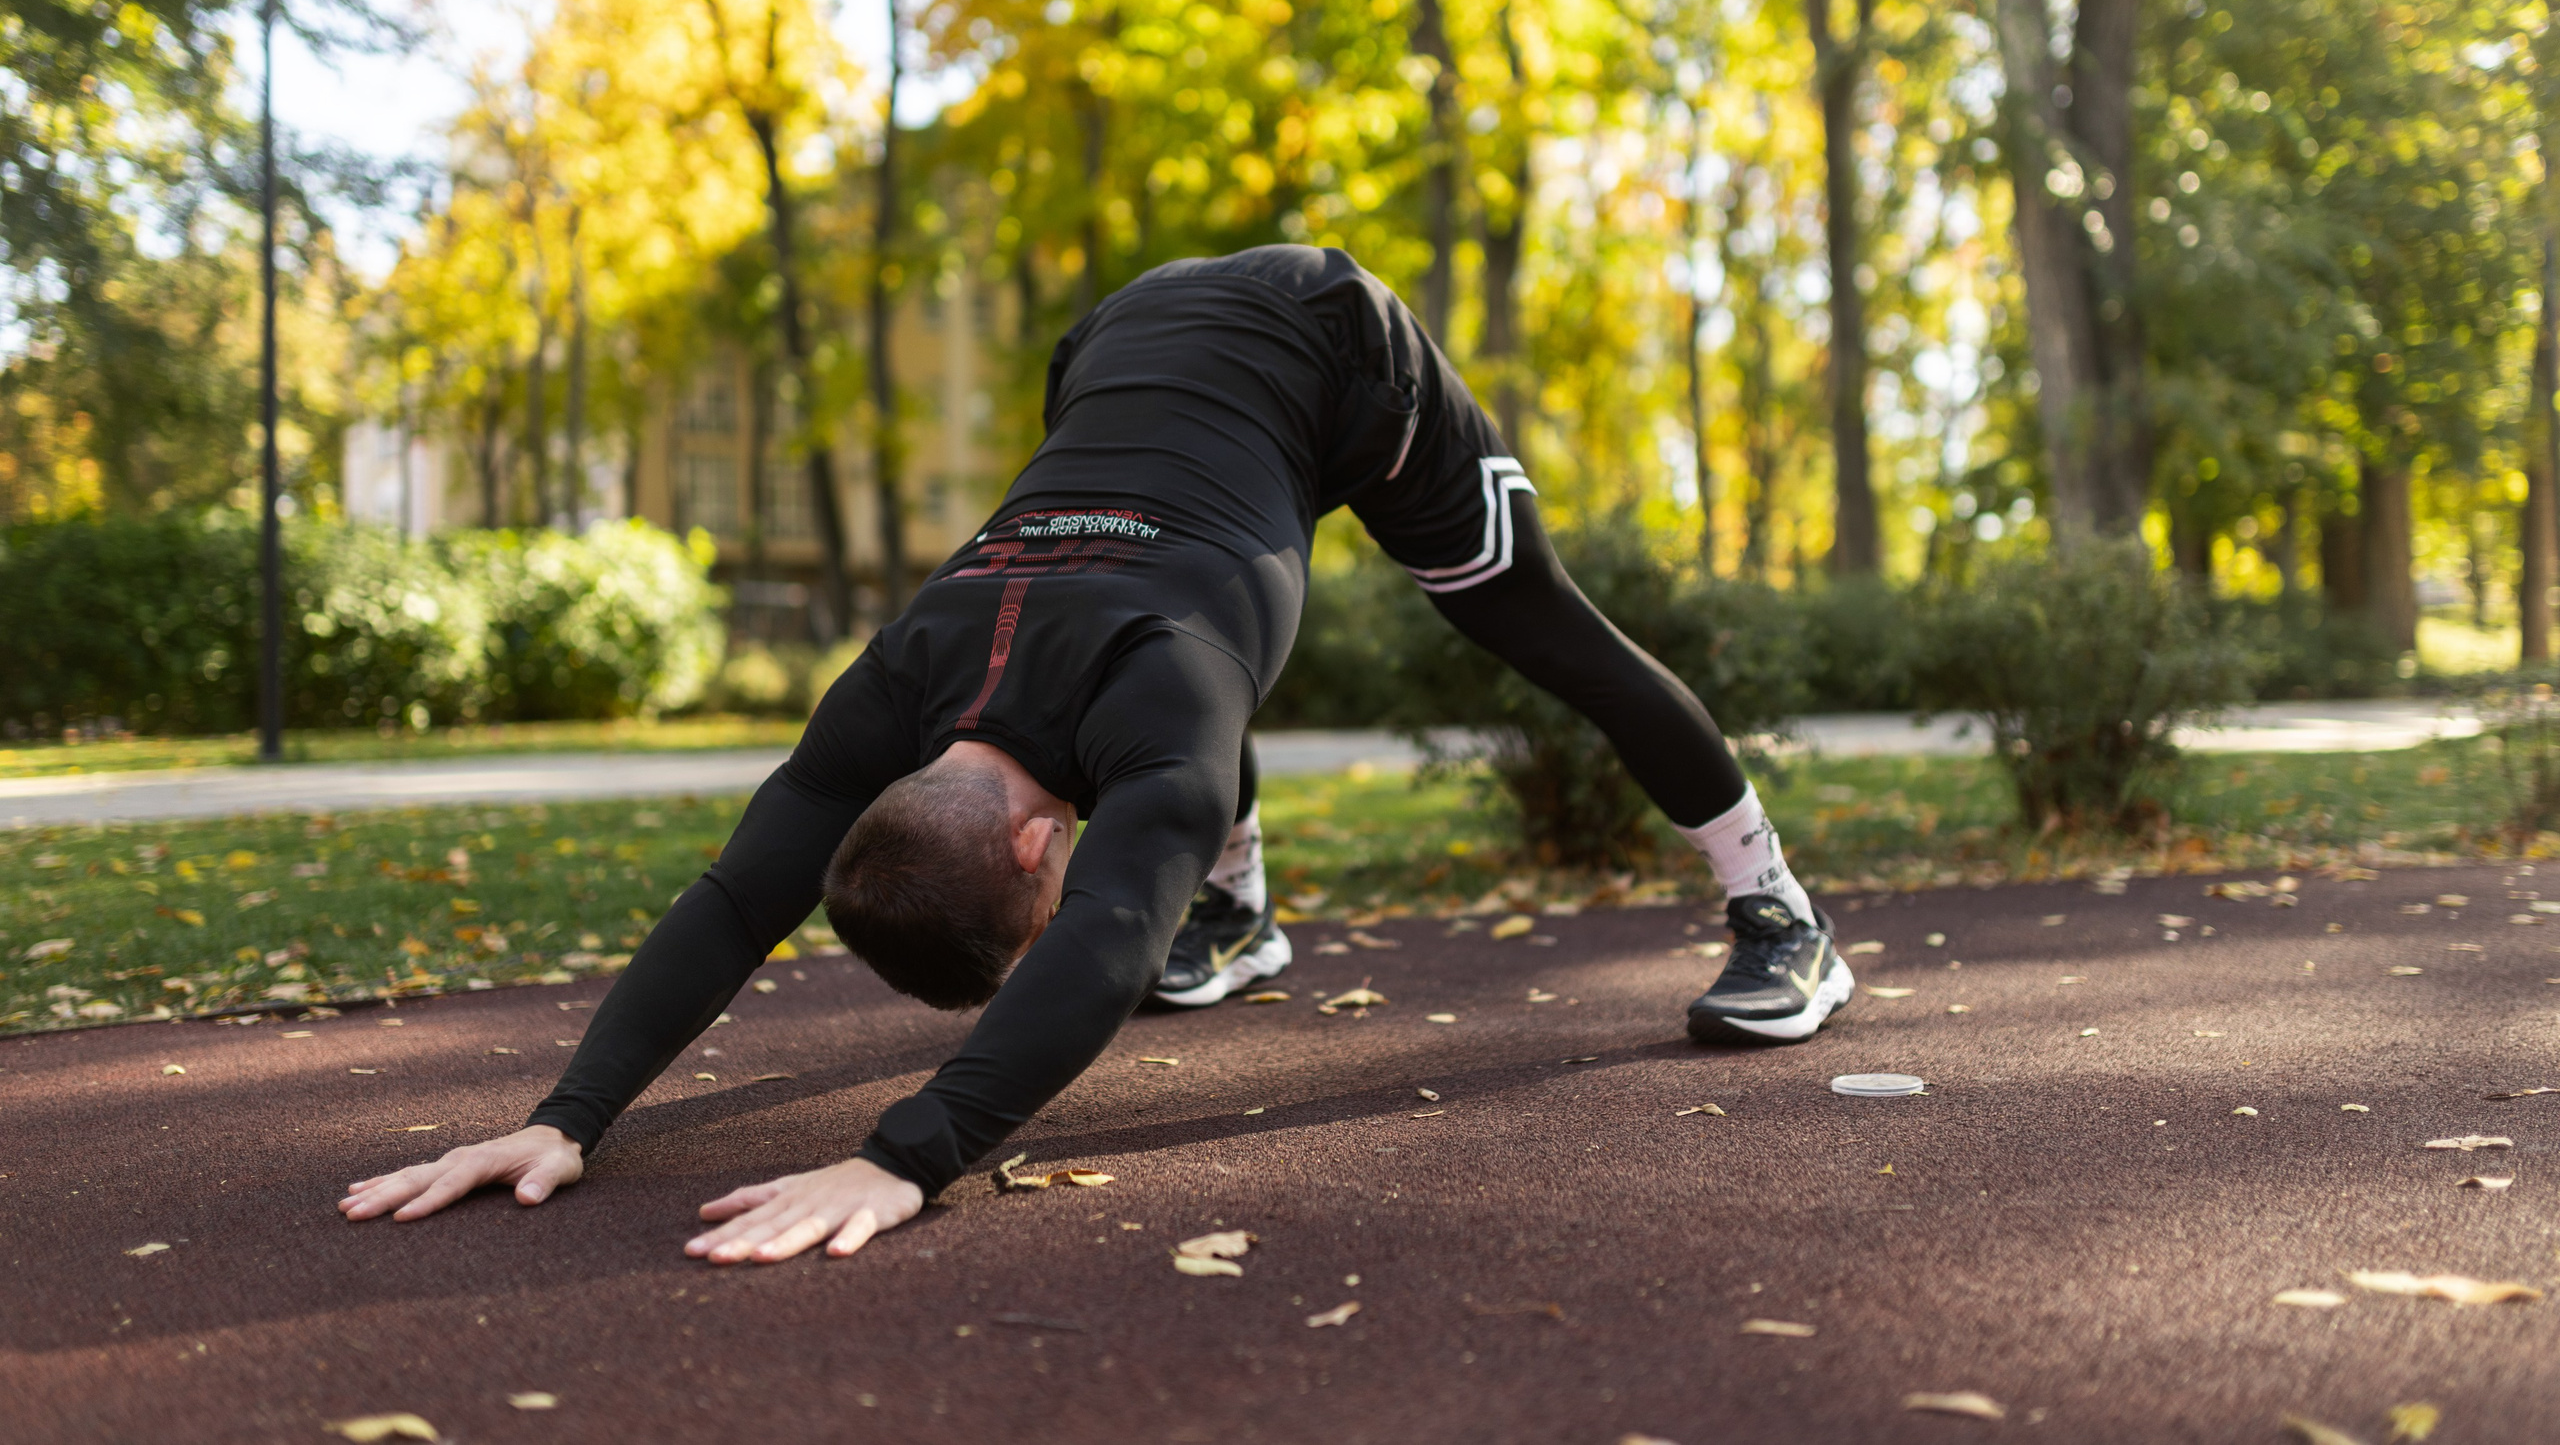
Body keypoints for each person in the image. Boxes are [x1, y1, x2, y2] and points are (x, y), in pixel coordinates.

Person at [336, 245, 1851, 1262]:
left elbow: (1114, 931)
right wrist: (561, 1118)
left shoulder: (1161, 689)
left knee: (1545, 631)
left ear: (1021, 847)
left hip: (1335, 346)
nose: (1076, 878)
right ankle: (1246, 920)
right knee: (1170, 755)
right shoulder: (900, 685)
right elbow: (743, 899)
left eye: (1046, 894)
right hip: (1119, 341)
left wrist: (906, 1157)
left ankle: (1781, 910)